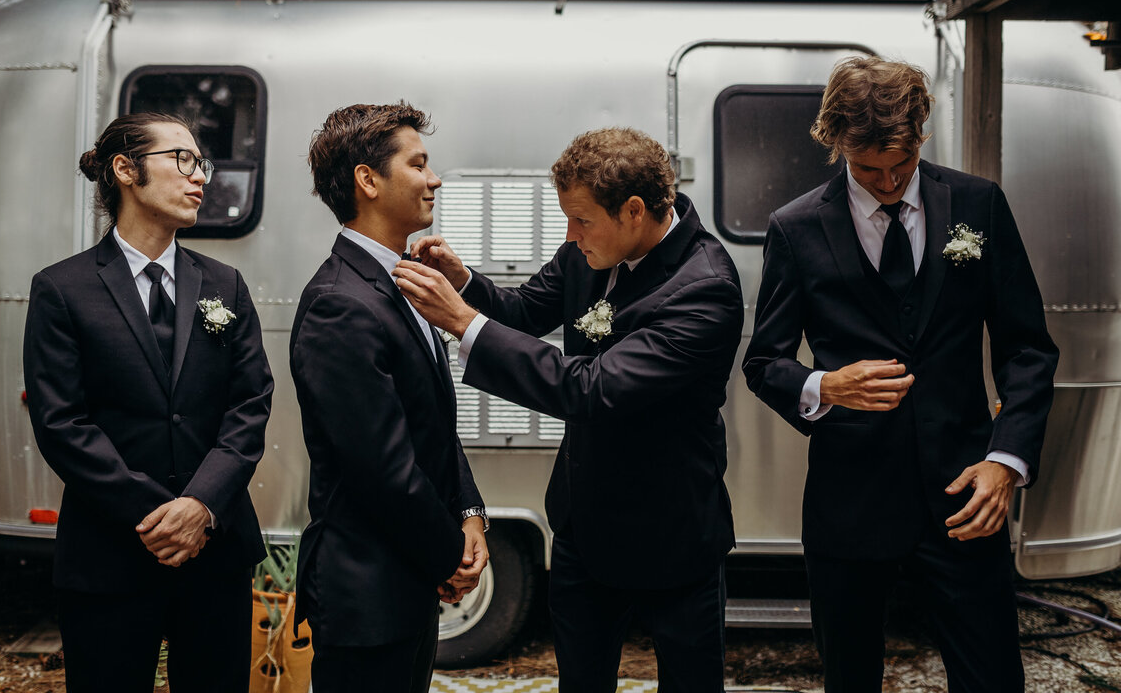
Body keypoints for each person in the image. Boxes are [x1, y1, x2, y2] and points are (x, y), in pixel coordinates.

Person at [742, 57, 1059, 692]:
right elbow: (763, 362)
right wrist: (823, 386)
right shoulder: (796, 227)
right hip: (850, 505)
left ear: (922, 136)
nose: (888, 182)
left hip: (963, 493)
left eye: (902, 164)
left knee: (995, 677)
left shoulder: (978, 203)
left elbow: (1027, 349)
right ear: (837, 147)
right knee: (850, 681)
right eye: (867, 168)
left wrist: (1006, 460)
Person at [394, 126, 743, 692]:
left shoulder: (705, 288)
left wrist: (461, 322)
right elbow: (528, 309)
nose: (569, 232)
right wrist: (467, 284)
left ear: (634, 211)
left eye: (580, 219)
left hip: (672, 532)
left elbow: (591, 389)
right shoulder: (593, 247)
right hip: (583, 524)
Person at [23, 113, 274, 693]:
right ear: (126, 169)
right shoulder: (62, 289)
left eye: (200, 164)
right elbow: (62, 422)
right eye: (182, 160)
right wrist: (161, 516)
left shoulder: (225, 285)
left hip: (216, 550)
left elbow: (250, 405)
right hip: (109, 553)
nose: (200, 178)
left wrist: (201, 507)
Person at [291, 102, 488, 693]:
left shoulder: (403, 279)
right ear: (368, 180)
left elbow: (430, 422)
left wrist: (470, 511)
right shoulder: (338, 302)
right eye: (419, 164)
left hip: (405, 579)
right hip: (366, 592)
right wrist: (448, 555)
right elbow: (381, 465)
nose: (434, 179)